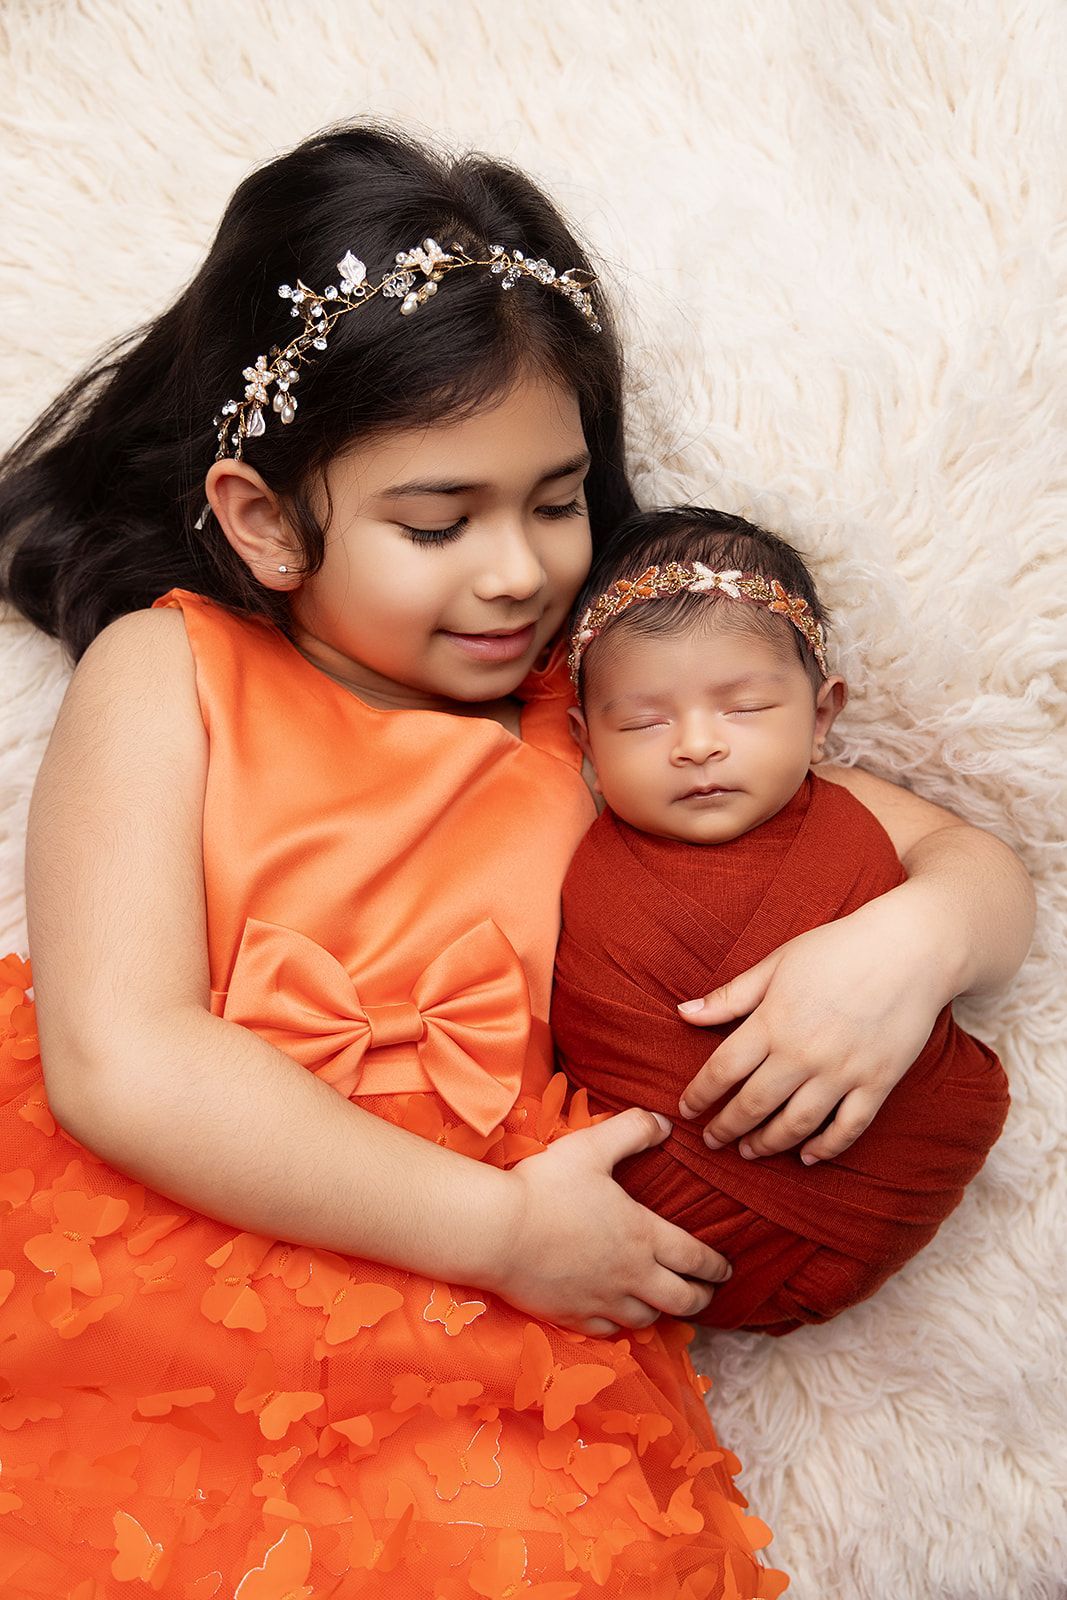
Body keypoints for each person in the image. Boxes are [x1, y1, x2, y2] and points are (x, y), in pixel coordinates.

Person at [0, 122, 1032, 1596]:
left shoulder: (603, 712)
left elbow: (968, 863)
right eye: (438, 521)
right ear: (262, 519)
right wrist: (496, 1231)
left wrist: (907, 946)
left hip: (510, 1353)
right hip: (203, 1261)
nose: (518, 570)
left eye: (556, 501)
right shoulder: (170, 673)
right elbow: (122, 1056)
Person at [552, 507, 1013, 1334]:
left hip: (873, 1186)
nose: (695, 745)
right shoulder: (556, 834)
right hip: (634, 1239)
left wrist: (912, 933)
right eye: (642, 721)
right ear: (584, 739)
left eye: (745, 708)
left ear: (821, 714)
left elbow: (991, 885)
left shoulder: (850, 807)